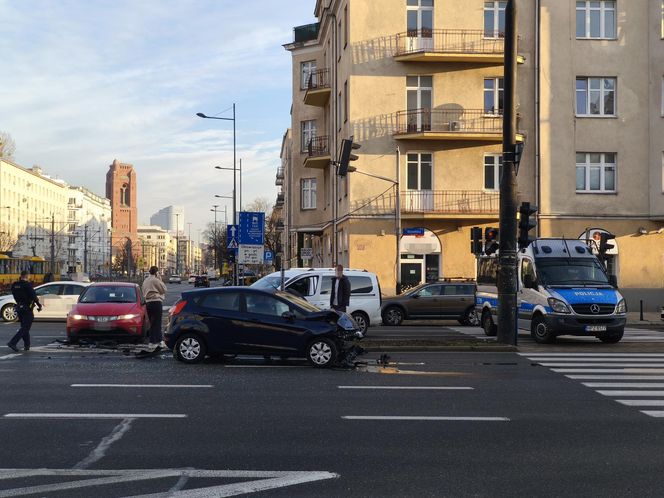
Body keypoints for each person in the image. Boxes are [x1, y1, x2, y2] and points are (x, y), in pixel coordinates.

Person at [7, 271, 42, 352]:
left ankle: (27, 345)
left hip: (19, 307)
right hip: (27, 308)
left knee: (24, 327)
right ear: (27, 276)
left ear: (21, 276)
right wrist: (39, 305)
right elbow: (34, 297)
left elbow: (14, 295)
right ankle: (13, 342)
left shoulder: (15, 285)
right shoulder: (27, 285)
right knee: (26, 328)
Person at [142, 266, 167, 350]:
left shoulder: (145, 280)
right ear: (156, 272)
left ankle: (156, 341)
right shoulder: (155, 280)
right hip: (156, 302)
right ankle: (155, 341)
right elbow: (164, 289)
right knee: (157, 322)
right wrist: (160, 279)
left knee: (152, 322)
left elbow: (143, 291)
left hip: (148, 303)